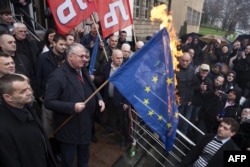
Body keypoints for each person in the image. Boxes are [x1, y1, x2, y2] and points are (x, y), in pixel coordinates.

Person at [44, 43, 105, 167]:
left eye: (86, 56)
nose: (85, 59)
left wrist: (99, 98)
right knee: (68, 159)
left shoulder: (82, 69)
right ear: (70, 56)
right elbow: (49, 102)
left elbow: (92, 86)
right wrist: (72, 107)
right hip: (69, 127)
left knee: (84, 158)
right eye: (81, 56)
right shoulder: (57, 76)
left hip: (86, 124)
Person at [0, 73, 56, 167]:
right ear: (8, 97)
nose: (29, 93)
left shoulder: (28, 107)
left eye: (29, 88)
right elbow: (9, 161)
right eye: (22, 91)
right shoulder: (2, 127)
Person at [101, 49, 130, 149]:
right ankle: (111, 130)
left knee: (123, 122)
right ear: (112, 58)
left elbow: (130, 87)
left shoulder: (126, 69)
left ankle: (124, 139)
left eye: (121, 58)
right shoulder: (106, 67)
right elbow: (103, 80)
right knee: (111, 117)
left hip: (121, 101)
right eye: (117, 58)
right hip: (109, 99)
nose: (120, 60)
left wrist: (127, 102)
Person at [176, 52, 196, 135]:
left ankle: (179, 138)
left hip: (188, 101)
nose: (185, 63)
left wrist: (191, 99)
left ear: (191, 60)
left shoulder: (192, 69)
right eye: (183, 60)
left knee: (184, 121)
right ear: (179, 59)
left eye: (187, 61)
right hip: (177, 100)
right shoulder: (175, 69)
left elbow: (192, 86)